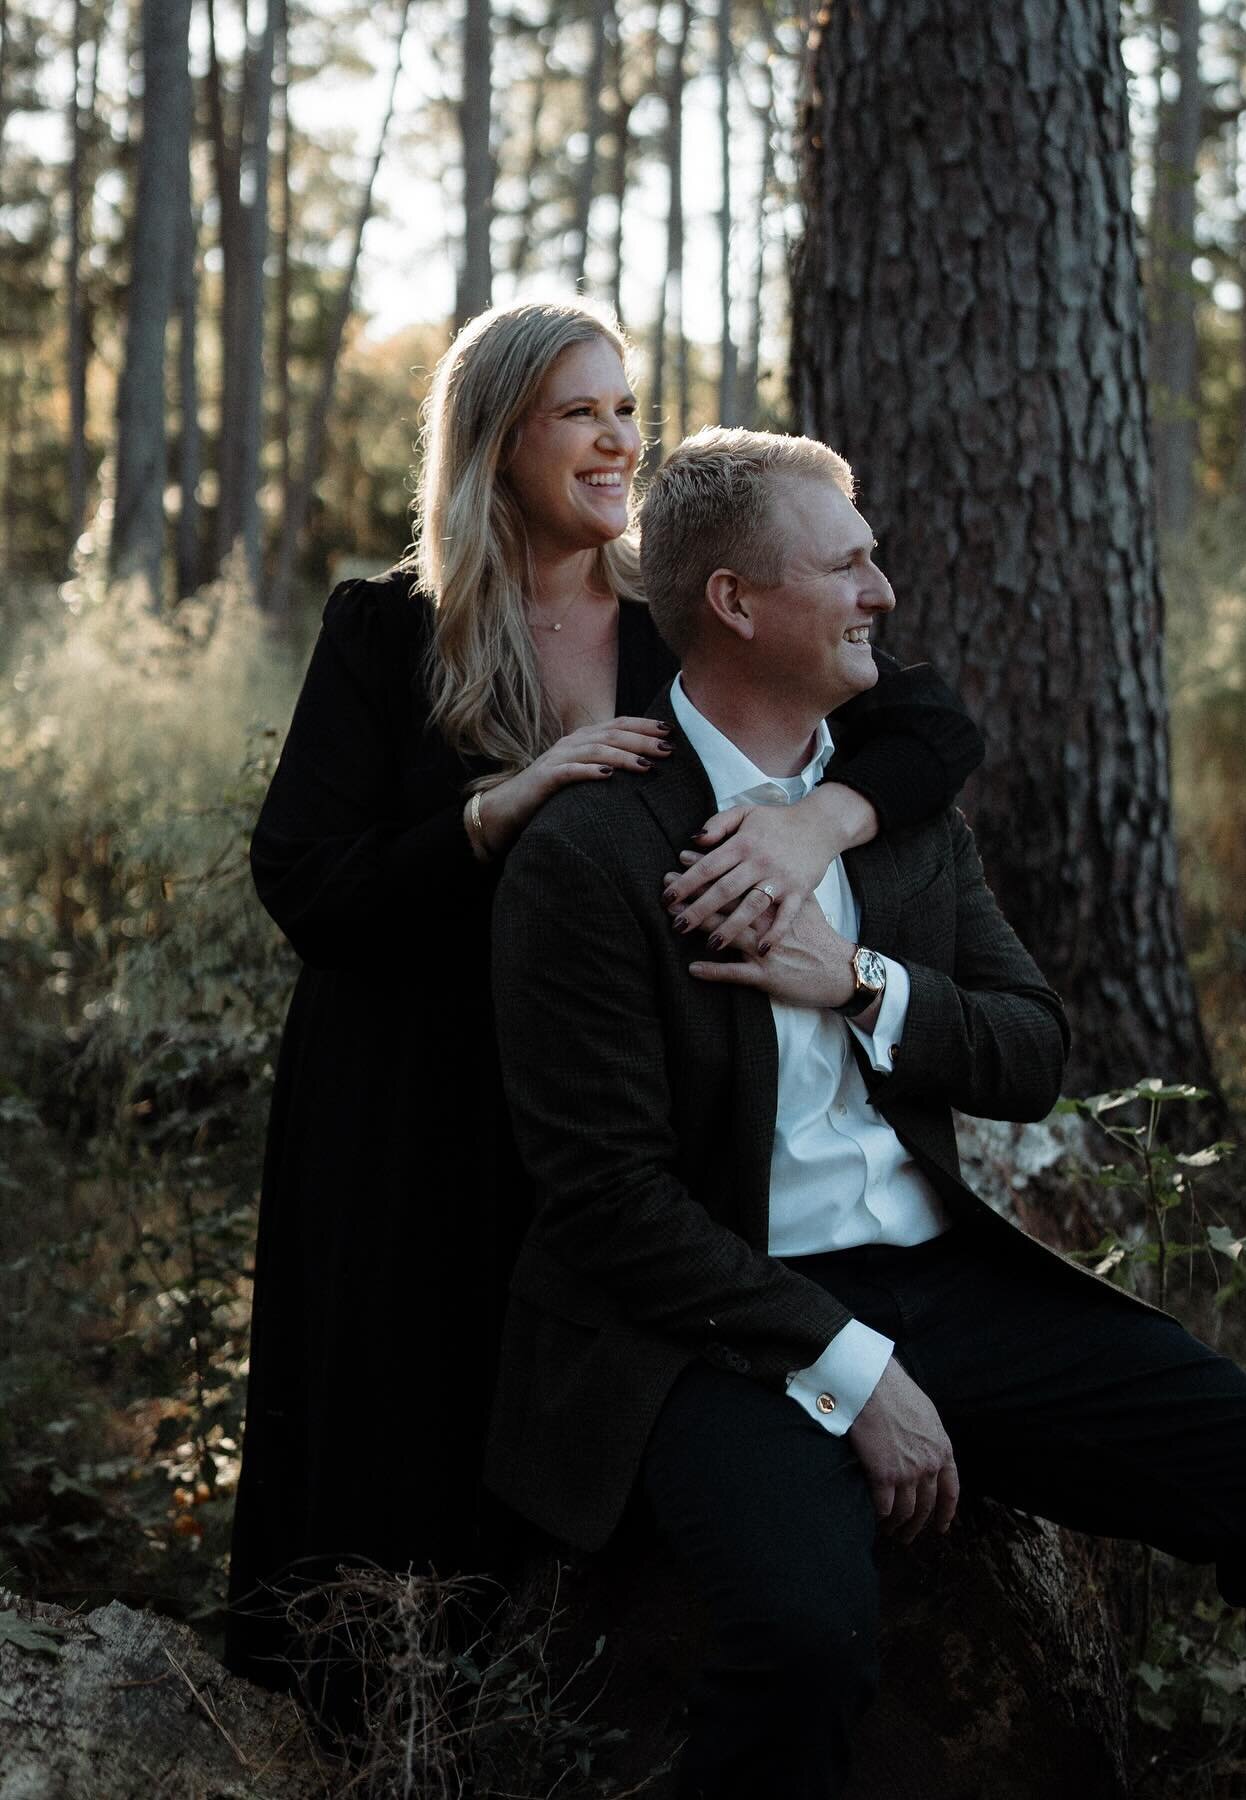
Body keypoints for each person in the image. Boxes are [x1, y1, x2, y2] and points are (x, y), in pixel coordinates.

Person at [485, 426, 1246, 1800]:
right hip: (707, 1328)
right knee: (806, 1635)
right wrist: (855, 1372)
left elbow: (1032, 1050)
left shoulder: (892, 814)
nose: (883, 592)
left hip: (942, 1280)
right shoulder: (591, 853)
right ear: (737, 604)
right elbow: (606, 1203)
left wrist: (860, 981)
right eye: (849, 564)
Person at [223, 300, 987, 1696]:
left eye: (629, 410)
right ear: (498, 434)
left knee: (564, 1397)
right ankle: (351, 1710)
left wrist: (822, 828)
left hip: (606, 1099)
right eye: (584, 413)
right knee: (393, 1398)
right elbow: (305, 881)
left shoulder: (673, 625)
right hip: (407, 1103)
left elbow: (935, 724)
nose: (620, 440)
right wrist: (489, 815)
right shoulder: (388, 630)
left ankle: (547, 1700)